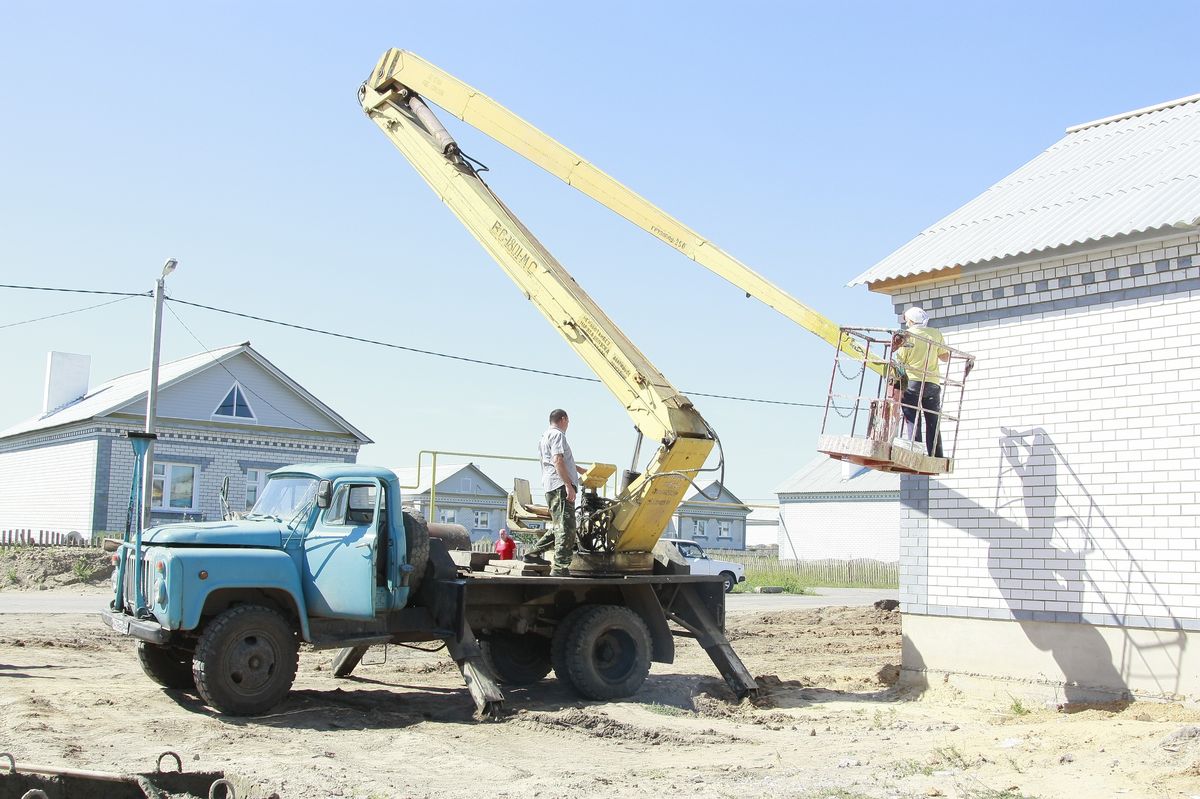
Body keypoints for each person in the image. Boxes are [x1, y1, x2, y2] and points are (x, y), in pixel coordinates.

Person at [524, 408, 588, 576]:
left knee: (560, 526)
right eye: (568, 421)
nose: (568, 424)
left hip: (552, 485)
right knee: (567, 528)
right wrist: (568, 484)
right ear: (564, 419)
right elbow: (557, 460)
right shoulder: (558, 435)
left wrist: (580, 470)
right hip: (560, 486)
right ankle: (560, 568)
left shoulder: (545, 436)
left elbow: (560, 460)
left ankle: (532, 554)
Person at [894, 306, 950, 457]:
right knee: (932, 420)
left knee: (912, 418)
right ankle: (936, 454)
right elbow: (945, 357)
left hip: (913, 383)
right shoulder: (935, 333)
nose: (906, 324)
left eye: (907, 321)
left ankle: (916, 453)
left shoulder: (907, 335)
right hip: (932, 383)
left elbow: (899, 361)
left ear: (911, 321)